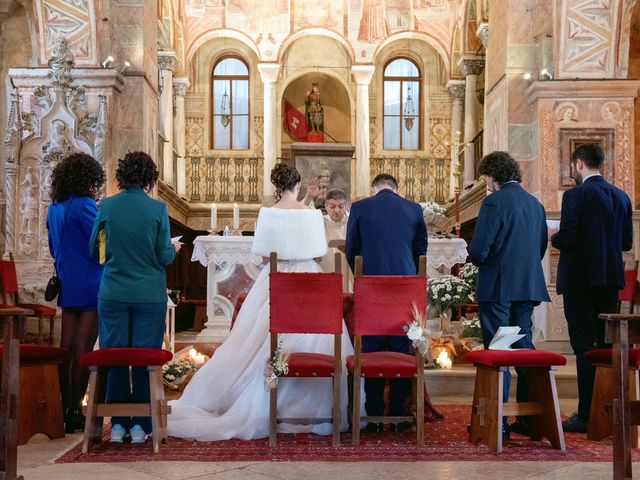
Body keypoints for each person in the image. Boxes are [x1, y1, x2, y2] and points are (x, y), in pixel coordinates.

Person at [167, 163, 359, 441]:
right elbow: (318, 253)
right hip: (307, 277)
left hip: (275, 276)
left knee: (260, 337)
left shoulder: (267, 213)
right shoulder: (311, 214)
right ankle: (313, 406)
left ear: (277, 186)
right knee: (314, 337)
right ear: (298, 185)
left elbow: (261, 255)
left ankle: (265, 399)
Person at [89, 151, 181, 444]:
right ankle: (141, 426)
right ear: (150, 179)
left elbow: (96, 250)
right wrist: (173, 249)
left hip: (114, 292)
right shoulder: (157, 210)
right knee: (144, 358)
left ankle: (117, 425)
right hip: (148, 295)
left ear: (122, 177)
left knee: (115, 356)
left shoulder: (107, 206)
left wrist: (114, 256)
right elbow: (164, 256)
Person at [551, 143, 633, 433]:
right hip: (609, 282)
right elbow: (626, 244)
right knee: (606, 347)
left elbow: (569, 238)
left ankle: (586, 414)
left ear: (579, 165)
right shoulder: (621, 196)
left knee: (584, 347)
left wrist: (555, 238)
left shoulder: (576, 195)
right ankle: (608, 413)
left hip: (580, 282)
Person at [468, 151, 550, 438]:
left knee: (499, 350)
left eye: (485, 178)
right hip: (526, 288)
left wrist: (481, 258)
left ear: (493, 175)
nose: (486, 183)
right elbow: (540, 247)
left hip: (499, 288)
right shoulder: (536, 205)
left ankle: (498, 421)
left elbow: (478, 251)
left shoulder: (493, 202)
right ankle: (530, 418)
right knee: (523, 347)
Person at [346, 173, 427, 432]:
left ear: (374, 189)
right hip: (405, 287)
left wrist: (364, 274)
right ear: (396, 189)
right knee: (401, 348)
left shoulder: (360, 207)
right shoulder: (413, 209)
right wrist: (408, 273)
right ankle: (398, 416)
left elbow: (351, 248)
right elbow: (421, 250)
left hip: (370, 284)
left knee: (372, 348)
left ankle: (374, 418)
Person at [46, 152, 105, 434]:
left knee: (66, 347)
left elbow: (52, 247)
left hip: (68, 280)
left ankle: (63, 407)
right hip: (91, 279)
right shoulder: (85, 205)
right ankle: (74, 409)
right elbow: (100, 245)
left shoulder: (53, 208)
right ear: (89, 179)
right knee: (83, 348)